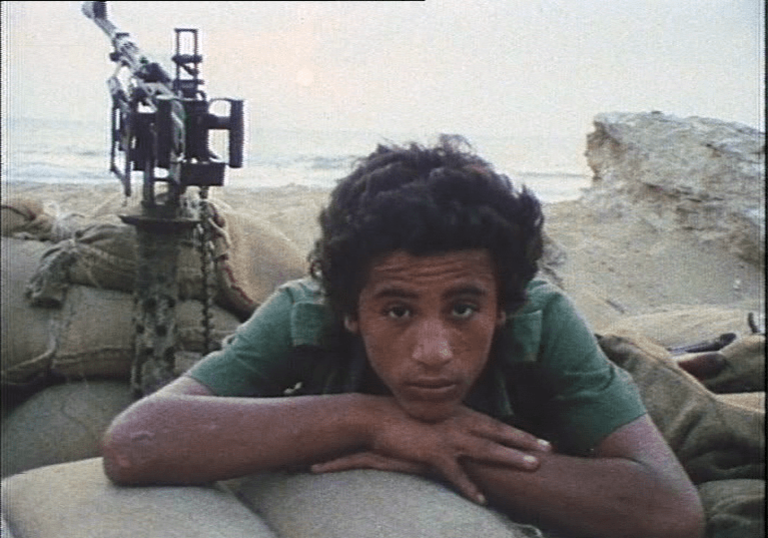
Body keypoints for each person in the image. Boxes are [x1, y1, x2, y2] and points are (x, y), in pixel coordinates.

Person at [101, 137, 704, 538]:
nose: (434, 351)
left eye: (464, 308)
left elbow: (671, 510)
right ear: (350, 311)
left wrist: (439, 450)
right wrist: (370, 420)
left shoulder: (541, 320)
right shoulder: (303, 312)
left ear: (504, 308)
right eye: (397, 311)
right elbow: (138, 442)